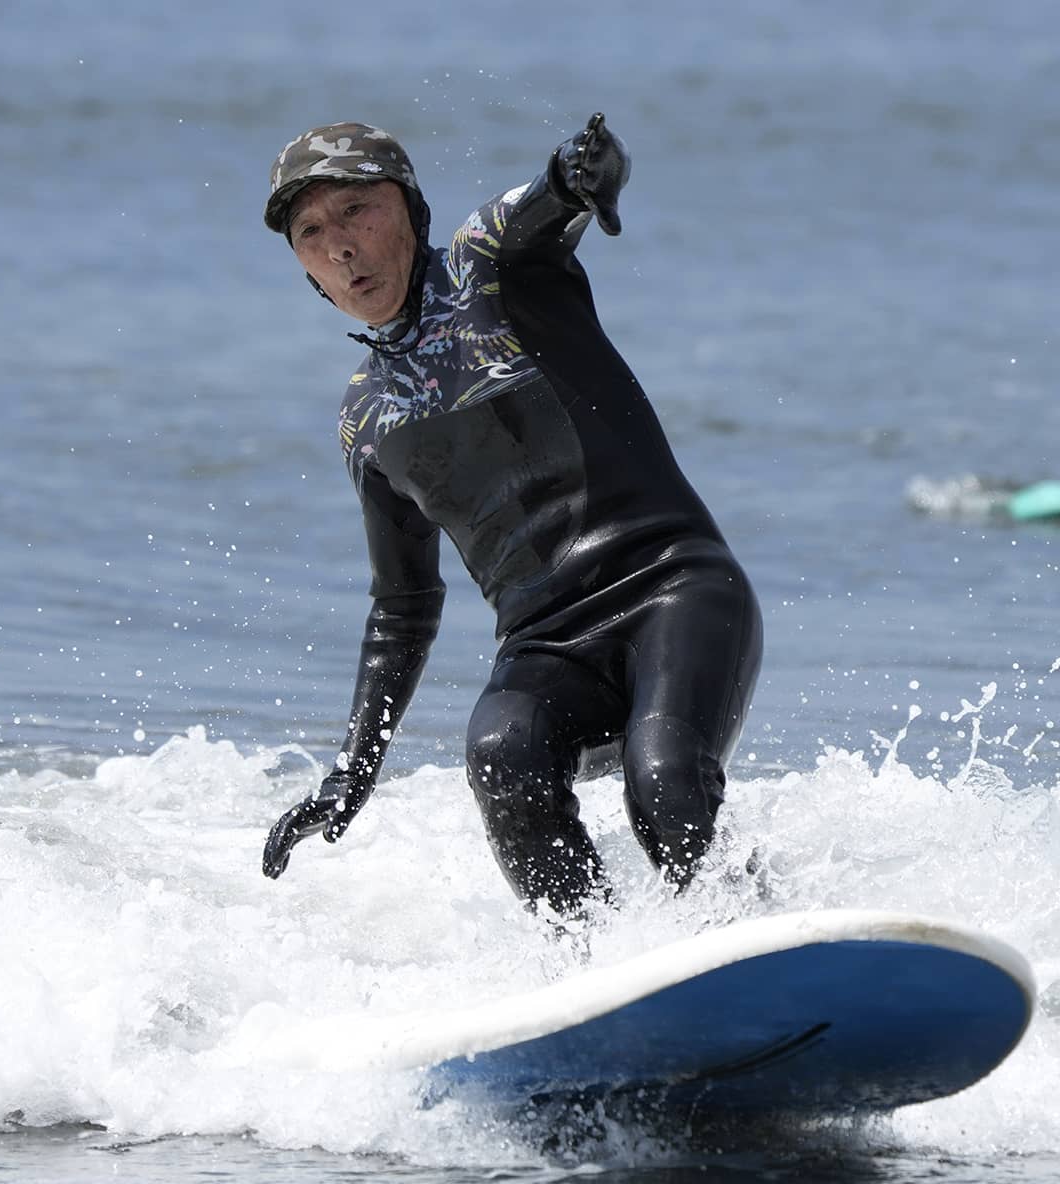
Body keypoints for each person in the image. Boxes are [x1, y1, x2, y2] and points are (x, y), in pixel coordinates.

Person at [256, 114, 763, 917]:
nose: (340, 244)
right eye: (312, 232)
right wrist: (353, 769)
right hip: (548, 646)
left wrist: (586, 171)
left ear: (410, 210)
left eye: (358, 210)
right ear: (305, 270)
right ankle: (595, 976)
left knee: (662, 778)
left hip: (672, 589)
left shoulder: (489, 263)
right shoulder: (367, 422)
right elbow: (403, 606)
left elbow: (559, 192)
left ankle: (754, 933)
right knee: (501, 755)